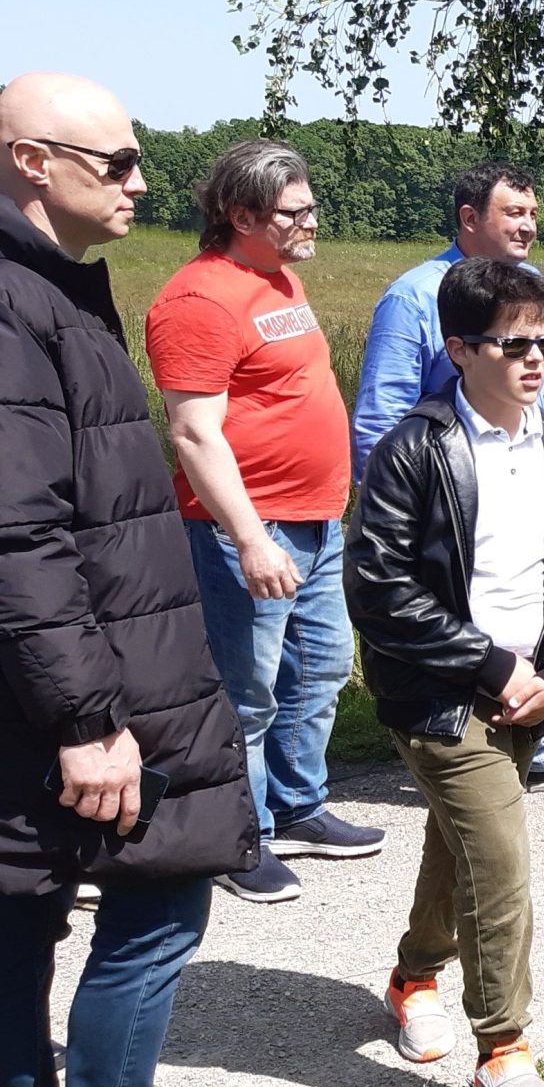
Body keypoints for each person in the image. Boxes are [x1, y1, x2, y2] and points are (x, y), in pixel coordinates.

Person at [0, 72, 259, 1087]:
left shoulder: (52, 288)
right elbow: (19, 537)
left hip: (94, 672)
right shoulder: (14, 305)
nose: (140, 183)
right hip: (86, 694)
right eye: (117, 163)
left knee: (20, 919)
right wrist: (86, 720)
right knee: (156, 906)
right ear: (32, 163)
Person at [344, 256, 544, 1087]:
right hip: (439, 696)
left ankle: (413, 975)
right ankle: (503, 1049)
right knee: (497, 858)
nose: (535, 360)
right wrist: (492, 666)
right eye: (513, 345)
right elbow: (379, 589)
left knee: (456, 844)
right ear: (459, 349)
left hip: (531, 695)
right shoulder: (415, 450)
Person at [145, 140, 385, 905]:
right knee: (244, 694)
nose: (312, 221)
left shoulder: (278, 279)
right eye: (294, 211)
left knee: (318, 670)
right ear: (242, 214)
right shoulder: (198, 300)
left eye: (310, 206)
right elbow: (193, 434)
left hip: (315, 521)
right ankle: (237, 836)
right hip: (247, 531)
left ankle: (297, 805)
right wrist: (249, 538)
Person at [353, 161, 544, 793]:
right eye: (513, 213)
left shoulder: (536, 292)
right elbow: (382, 419)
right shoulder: (414, 296)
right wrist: (396, 506)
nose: (528, 226)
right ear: (470, 218)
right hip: (453, 501)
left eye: (532, 213)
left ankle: (543, 739)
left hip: (537, 475)